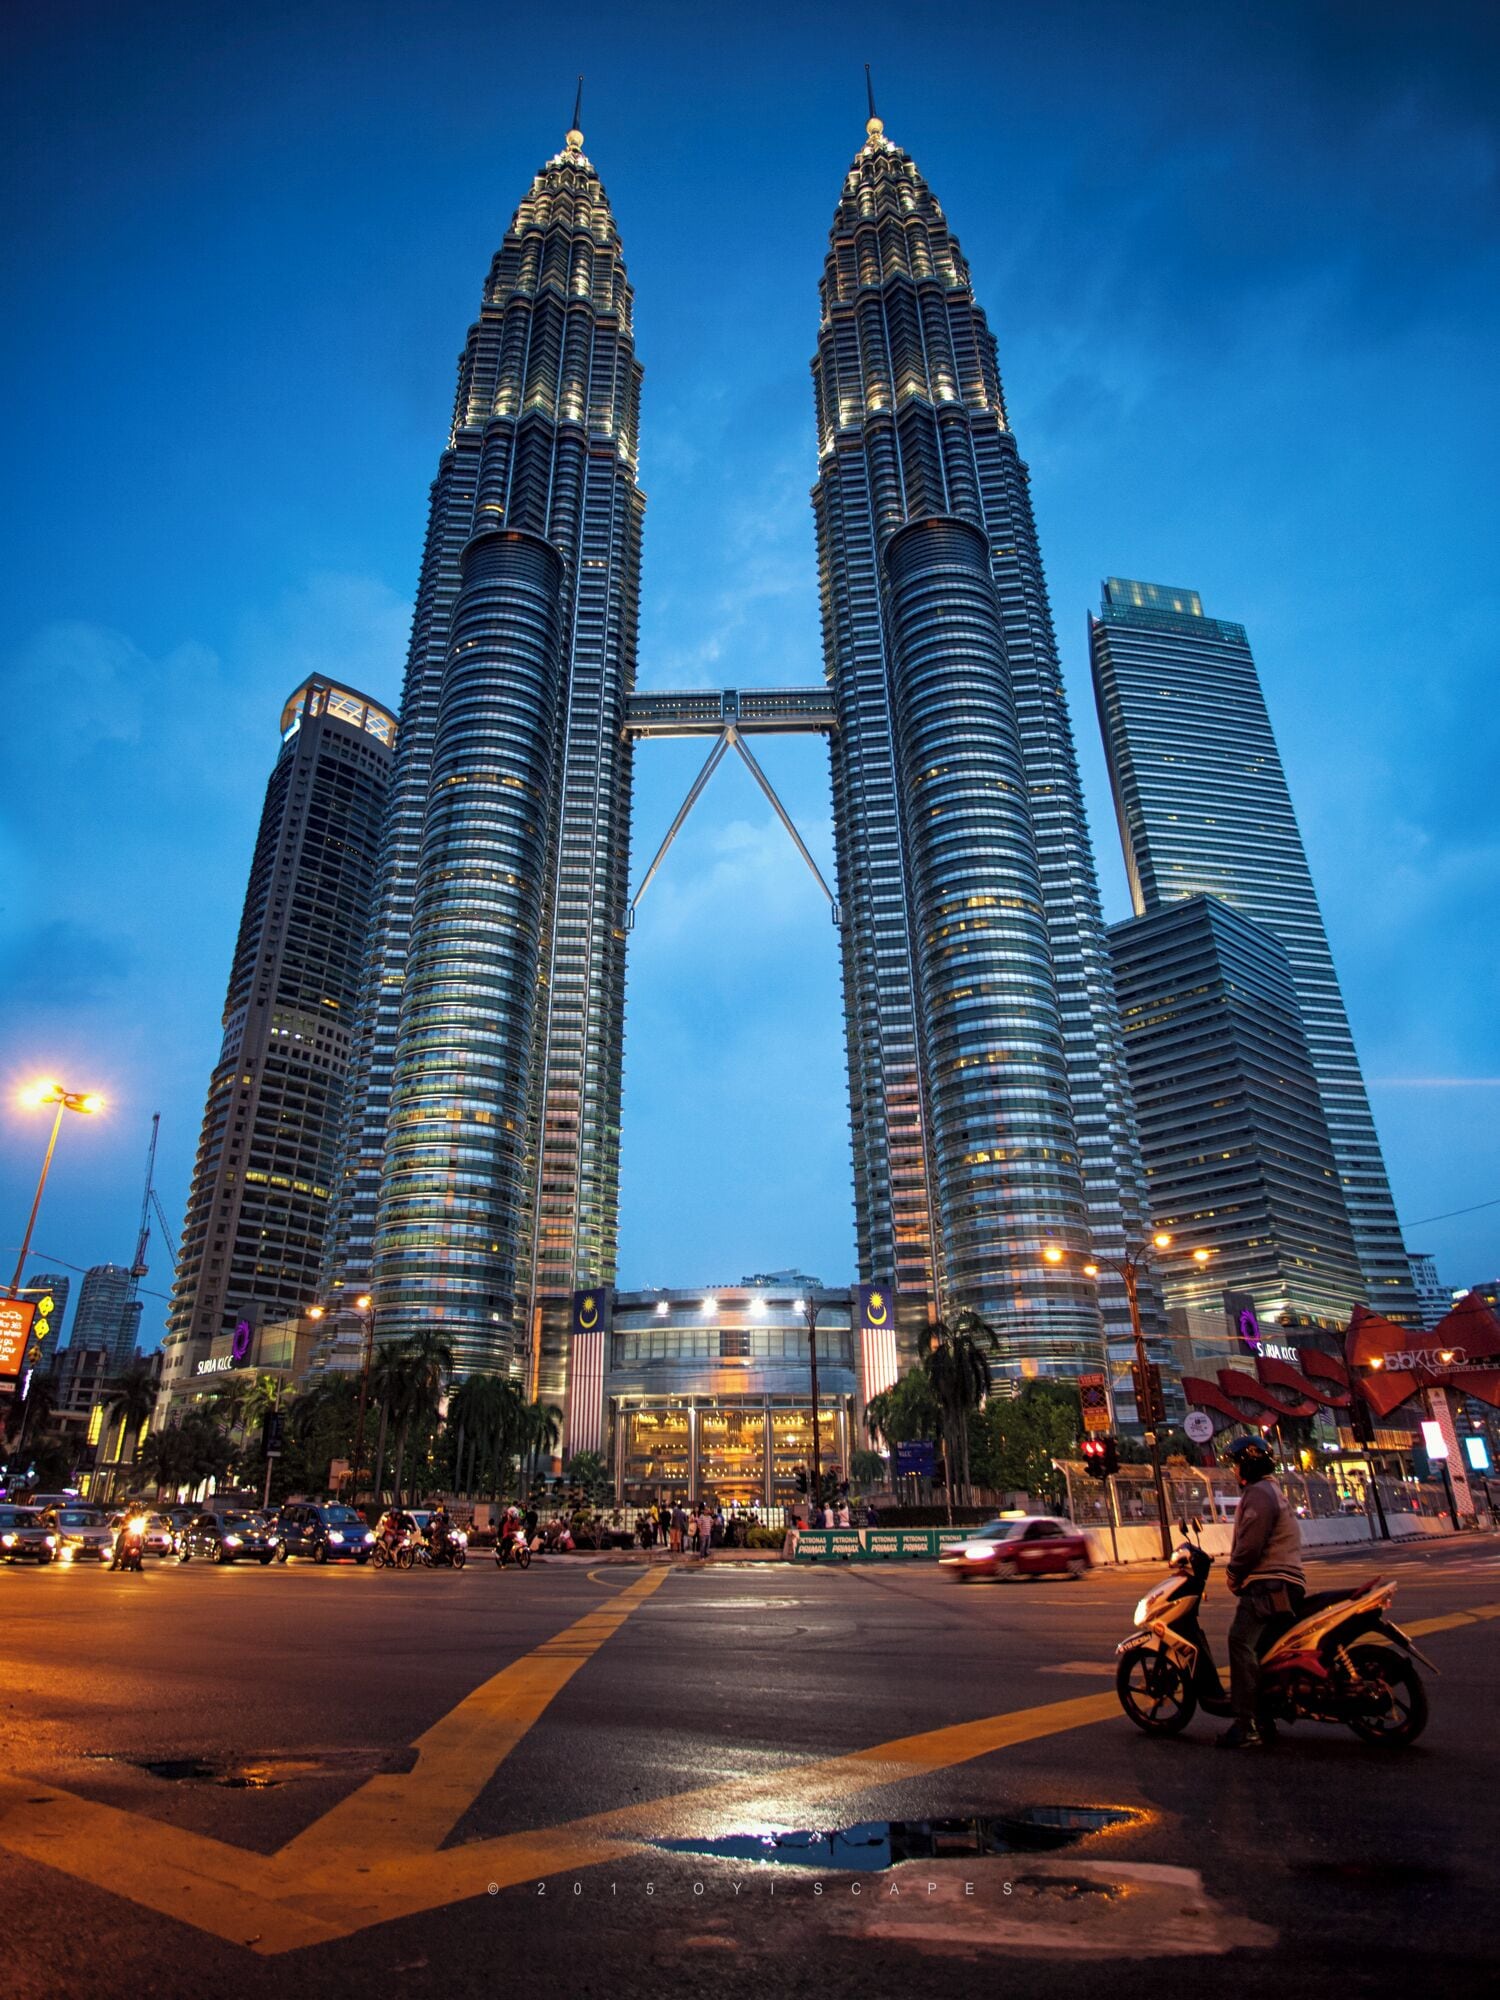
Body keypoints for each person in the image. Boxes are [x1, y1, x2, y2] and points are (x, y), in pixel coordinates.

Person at [1218, 1434, 1306, 1750]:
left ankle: (1246, 1725)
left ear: (1250, 1464)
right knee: (1264, 1652)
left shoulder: (1258, 1494)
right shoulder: (1273, 1491)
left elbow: (1250, 1546)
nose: (1234, 1471)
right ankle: (1265, 1717)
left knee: (1240, 1641)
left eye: (1237, 1464)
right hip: (1287, 1582)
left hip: (1270, 1584)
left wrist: (1233, 1573)